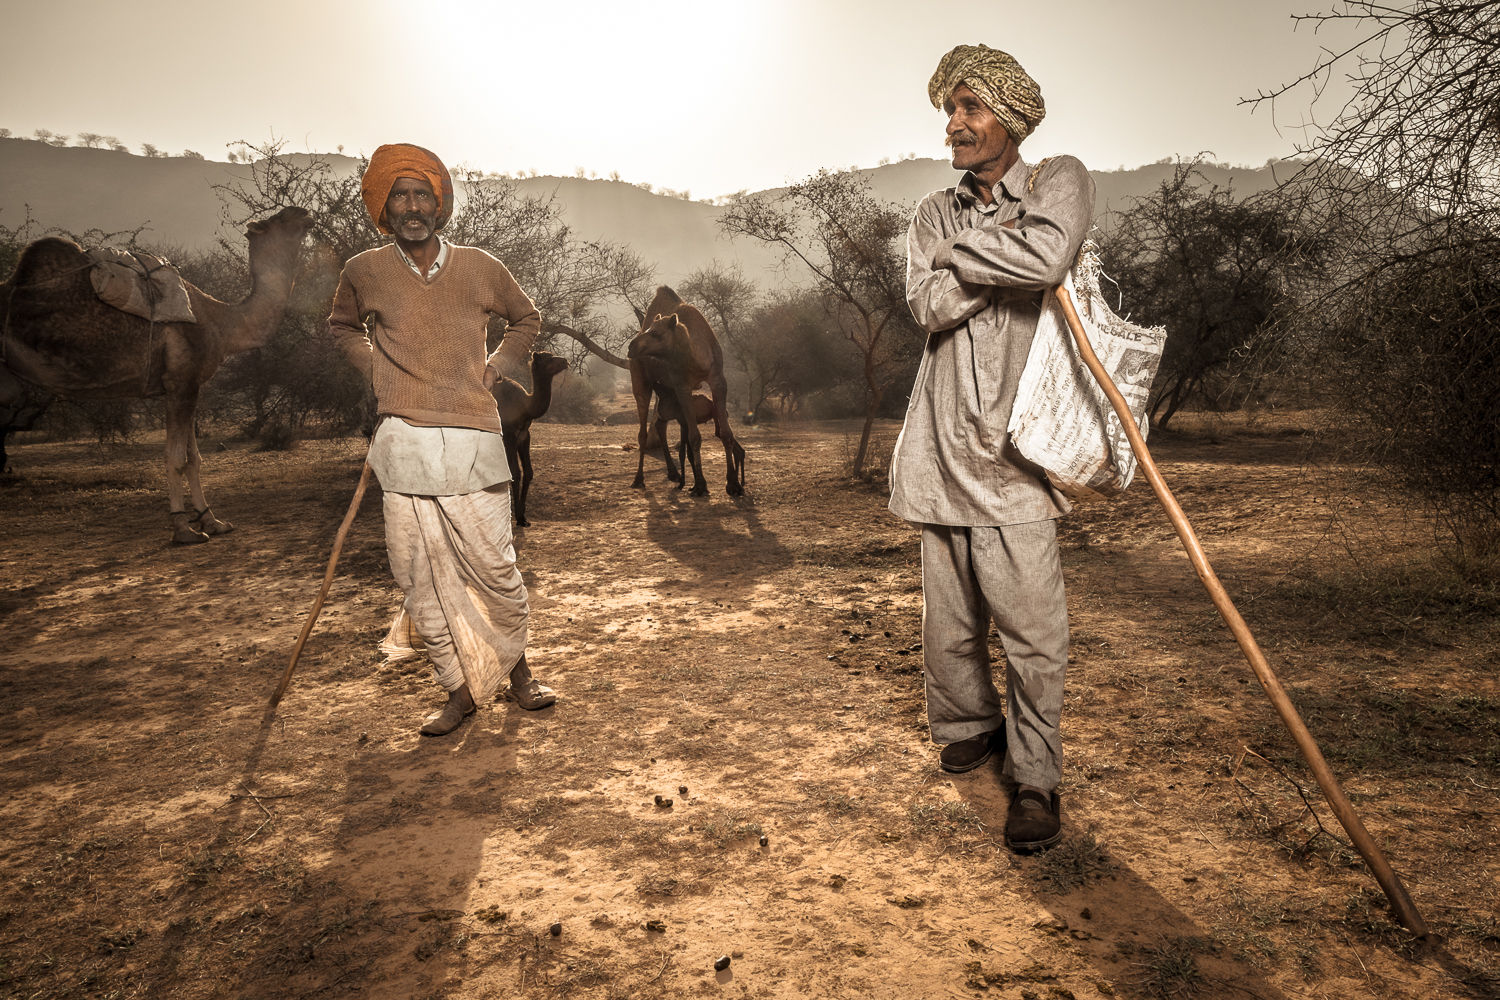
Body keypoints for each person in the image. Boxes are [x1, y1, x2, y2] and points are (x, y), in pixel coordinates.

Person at [888, 46, 1095, 851]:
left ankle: (1037, 779)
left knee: (1035, 631)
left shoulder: (1060, 180)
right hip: (939, 446)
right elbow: (928, 304)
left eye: (970, 109)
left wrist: (969, 259)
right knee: (950, 620)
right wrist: (1002, 261)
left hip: (1016, 452)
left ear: (1008, 117)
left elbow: (1050, 254)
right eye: (950, 111)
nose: (955, 125)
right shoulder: (932, 213)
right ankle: (971, 722)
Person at [328, 142, 556, 737]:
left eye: (421, 194)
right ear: (383, 207)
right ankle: (457, 692)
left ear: (440, 203)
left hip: (475, 435)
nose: (411, 206)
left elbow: (526, 316)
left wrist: (498, 363)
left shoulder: (481, 265)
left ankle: (519, 675)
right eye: (399, 195)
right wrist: (375, 367)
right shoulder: (363, 271)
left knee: (493, 564)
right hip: (403, 442)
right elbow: (342, 327)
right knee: (418, 574)